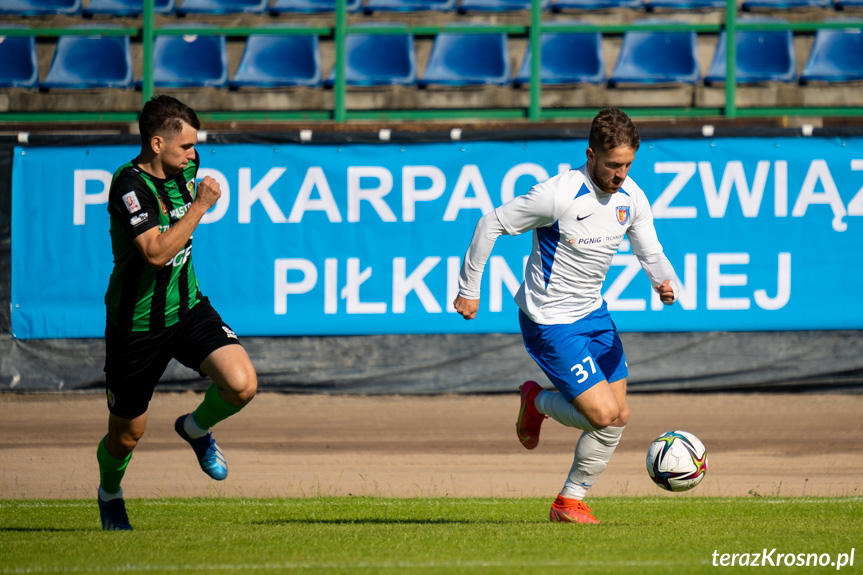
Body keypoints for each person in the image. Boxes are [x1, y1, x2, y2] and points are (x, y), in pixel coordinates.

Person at [454, 108, 679, 524]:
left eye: (628, 165)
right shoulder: (557, 194)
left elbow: (650, 251)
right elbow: (490, 224)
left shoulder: (632, 197)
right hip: (549, 320)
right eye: (613, 165)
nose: (621, 174)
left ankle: (569, 502)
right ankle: (536, 402)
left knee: (619, 417)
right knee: (603, 415)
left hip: (594, 315)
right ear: (591, 154)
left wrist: (664, 283)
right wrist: (470, 289)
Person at [97, 95, 258, 531]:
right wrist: (201, 207)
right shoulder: (128, 185)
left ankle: (194, 428)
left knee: (242, 385)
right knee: (126, 435)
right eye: (185, 146)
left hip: (187, 306)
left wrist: (197, 200)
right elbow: (153, 252)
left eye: (193, 146)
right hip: (136, 325)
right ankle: (110, 493)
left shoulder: (185, 169)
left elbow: (182, 214)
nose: (193, 154)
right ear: (155, 143)